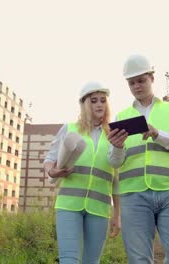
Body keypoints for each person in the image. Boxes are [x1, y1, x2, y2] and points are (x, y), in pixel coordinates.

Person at [107, 54, 169, 264]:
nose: (137, 86)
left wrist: (159, 135)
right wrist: (117, 147)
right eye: (132, 82)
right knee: (139, 260)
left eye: (141, 80)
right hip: (134, 196)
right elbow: (114, 162)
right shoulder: (122, 117)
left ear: (152, 78)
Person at [43, 81, 121, 264]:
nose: (99, 104)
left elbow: (116, 179)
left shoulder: (113, 134)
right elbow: (49, 159)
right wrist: (52, 171)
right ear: (85, 104)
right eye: (94, 101)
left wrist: (117, 214)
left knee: (91, 262)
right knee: (69, 260)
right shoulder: (69, 129)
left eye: (103, 100)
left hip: (99, 209)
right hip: (69, 206)